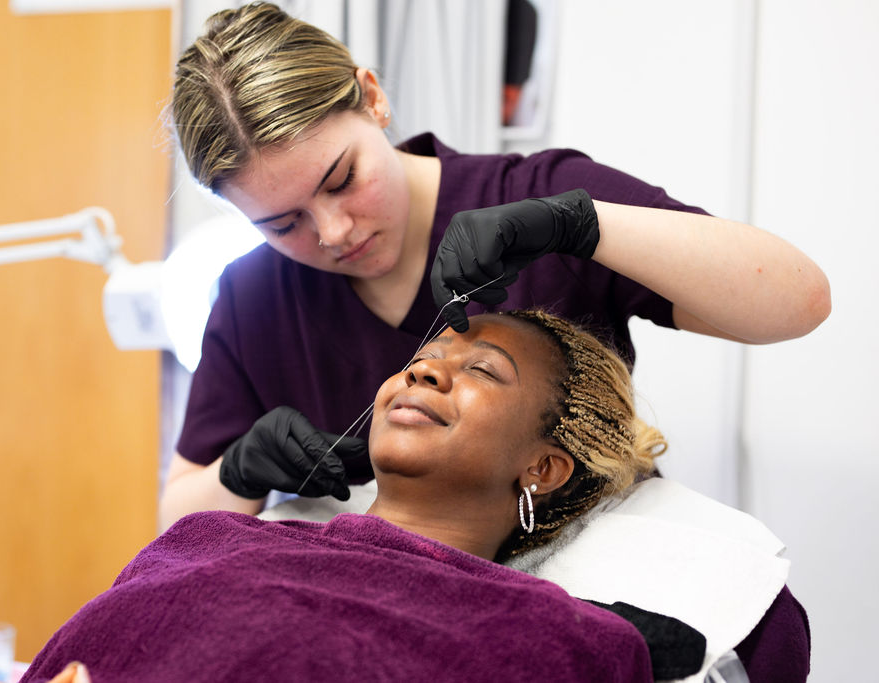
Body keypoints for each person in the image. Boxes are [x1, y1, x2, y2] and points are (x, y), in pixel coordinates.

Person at [160, 2, 831, 530]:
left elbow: (798, 301)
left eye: (342, 179)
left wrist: (583, 225)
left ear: (372, 97)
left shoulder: (534, 196)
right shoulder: (253, 298)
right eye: (281, 223)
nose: (333, 232)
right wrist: (238, 474)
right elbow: (177, 517)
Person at [24, 311, 807, 682]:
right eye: (426, 358)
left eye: (484, 371)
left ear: (544, 466)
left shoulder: (547, 629)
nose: (425, 371)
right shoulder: (217, 537)